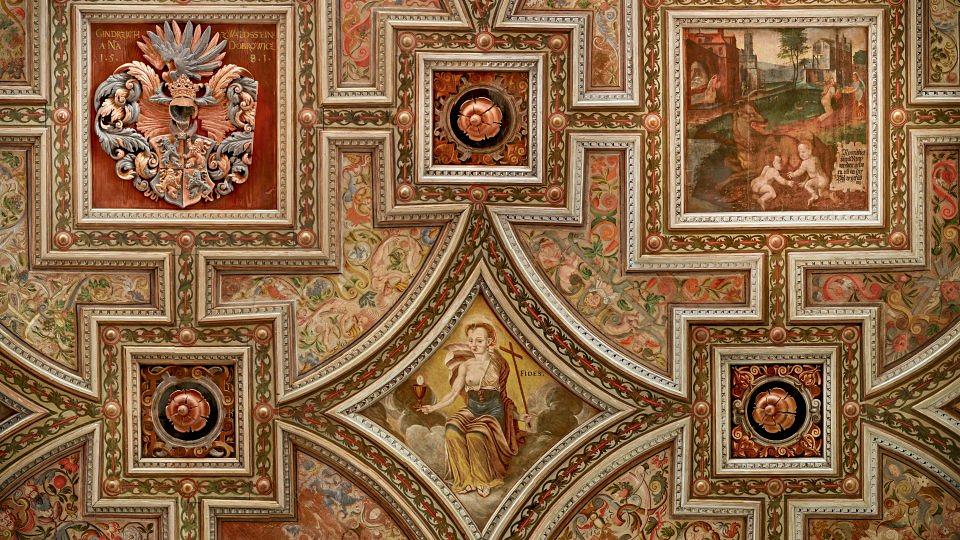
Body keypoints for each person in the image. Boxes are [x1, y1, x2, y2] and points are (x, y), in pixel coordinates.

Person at [416, 322, 526, 497]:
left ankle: (483, 479)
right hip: (472, 409)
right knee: (451, 430)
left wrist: (518, 416)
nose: (473, 345)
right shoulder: (465, 366)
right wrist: (434, 407)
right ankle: (466, 479)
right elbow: (453, 394)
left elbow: (504, 398)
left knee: (475, 435)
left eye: (479, 341)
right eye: (470, 340)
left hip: (493, 410)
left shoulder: (499, 363)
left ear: (489, 342)